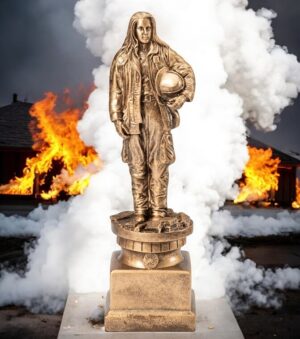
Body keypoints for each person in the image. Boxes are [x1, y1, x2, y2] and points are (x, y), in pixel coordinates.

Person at [109, 11, 195, 225]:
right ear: (134, 30)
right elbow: (116, 90)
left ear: (152, 29)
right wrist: (116, 117)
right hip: (132, 116)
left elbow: (187, 72)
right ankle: (140, 211)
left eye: (148, 28)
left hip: (157, 114)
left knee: (159, 163)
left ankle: (158, 211)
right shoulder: (122, 57)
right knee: (137, 164)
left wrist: (183, 96)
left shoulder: (163, 52)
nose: (145, 32)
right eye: (141, 28)